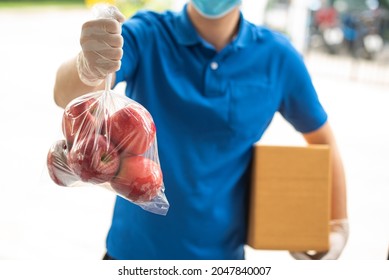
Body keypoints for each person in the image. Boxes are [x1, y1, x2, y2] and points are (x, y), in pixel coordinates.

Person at [53, 0, 348, 260]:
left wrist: (337, 223)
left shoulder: (278, 58)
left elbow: (322, 138)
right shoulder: (147, 33)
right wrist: (86, 67)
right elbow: (66, 96)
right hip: (132, 256)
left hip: (222, 261)